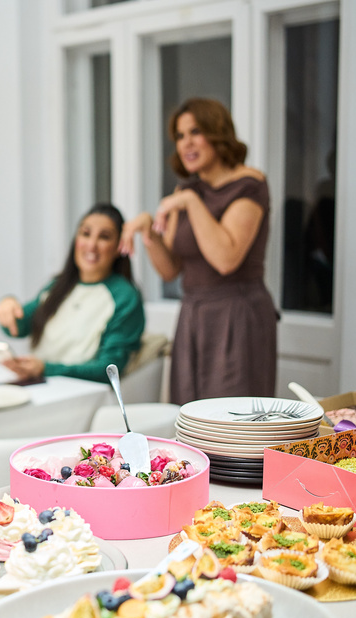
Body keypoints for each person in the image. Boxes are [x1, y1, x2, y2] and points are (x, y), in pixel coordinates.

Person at [119, 97, 277, 404]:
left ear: (217, 133)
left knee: (231, 420)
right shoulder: (186, 191)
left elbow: (225, 259)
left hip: (237, 314)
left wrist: (192, 203)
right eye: (179, 136)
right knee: (189, 415)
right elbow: (170, 269)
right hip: (193, 314)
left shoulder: (249, 184)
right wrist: (147, 231)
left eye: (195, 132)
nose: (186, 143)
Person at [0, 203, 145, 383]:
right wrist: (8, 304)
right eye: (85, 234)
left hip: (81, 392)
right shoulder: (58, 286)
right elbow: (17, 327)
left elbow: (110, 369)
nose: (91, 245)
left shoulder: (124, 296)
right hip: (40, 384)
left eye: (104, 237)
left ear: (119, 246)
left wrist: (46, 369)